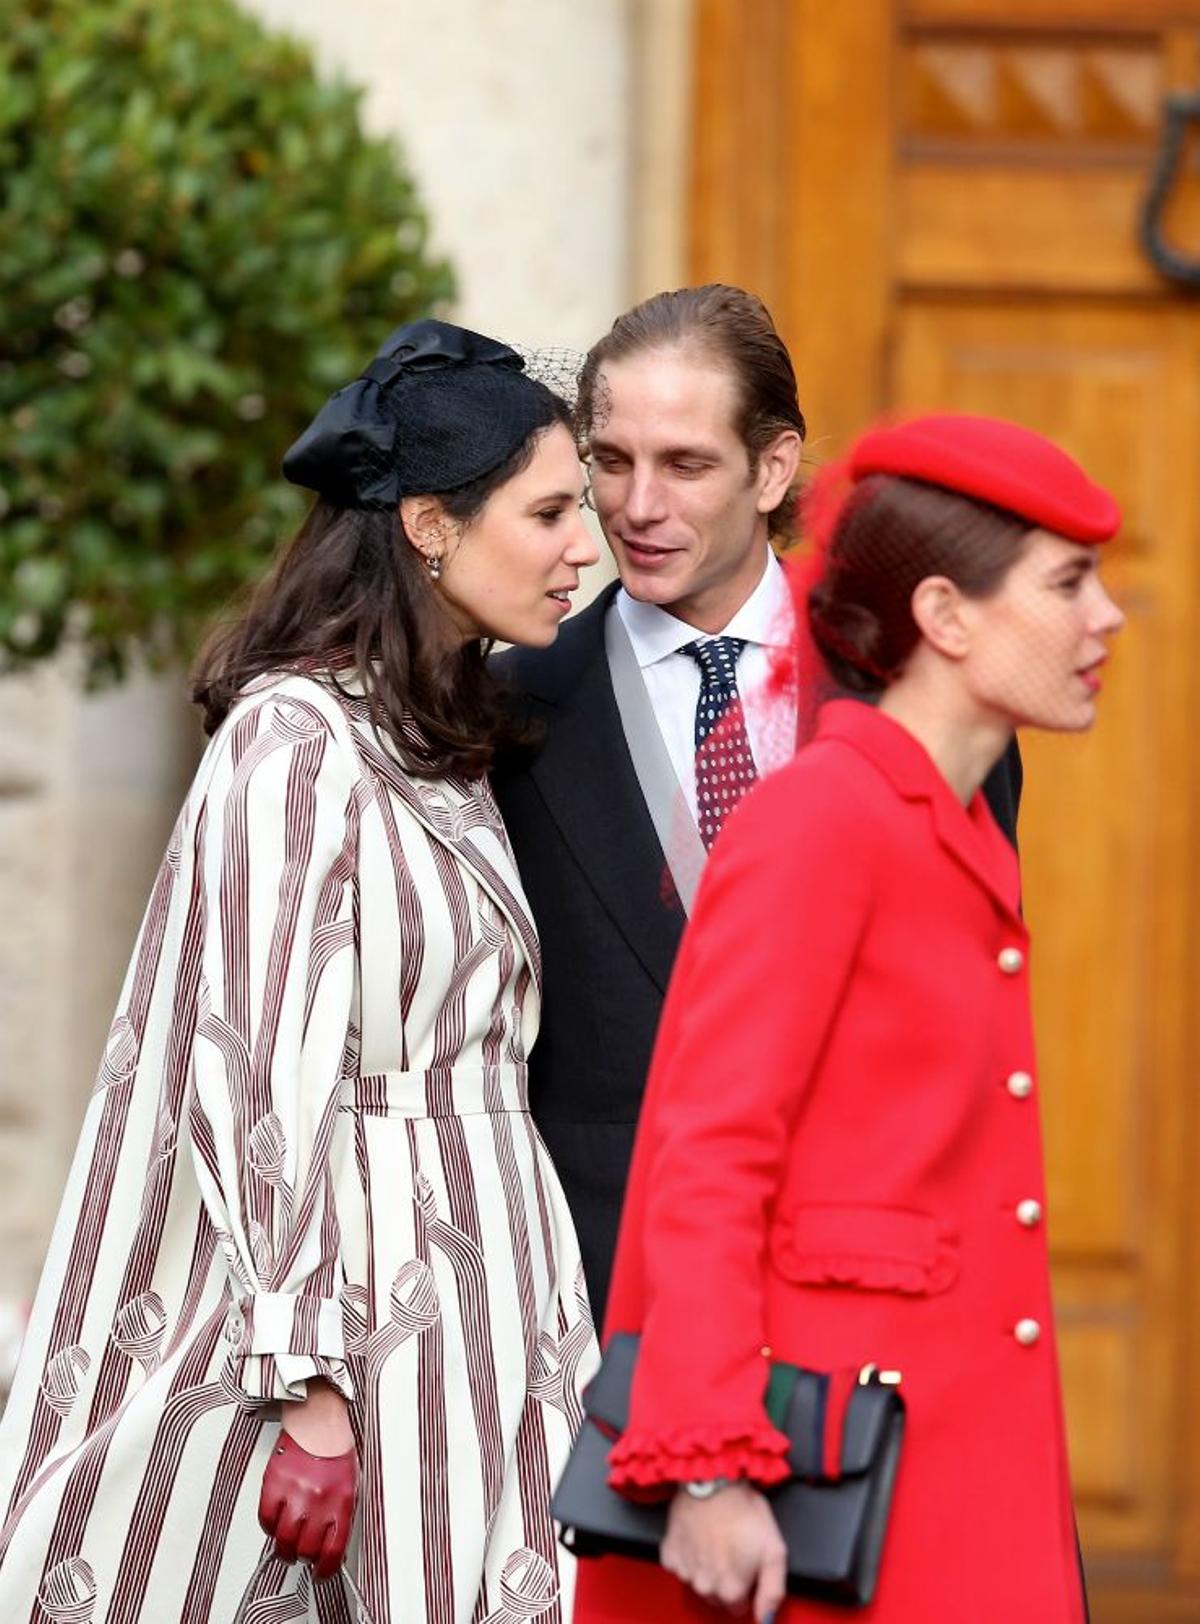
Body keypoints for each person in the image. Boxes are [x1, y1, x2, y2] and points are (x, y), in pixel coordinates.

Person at [0, 320, 600, 1623]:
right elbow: (250, 1078)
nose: (581, 549)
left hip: (498, 1306)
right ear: (431, 526)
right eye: (549, 511)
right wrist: (313, 1387)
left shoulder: (448, 743)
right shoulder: (296, 740)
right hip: (361, 1315)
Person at [575, 411, 1124, 1624]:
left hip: (951, 1452)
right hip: (819, 1481)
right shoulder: (824, 816)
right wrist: (710, 1460)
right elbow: (709, 1152)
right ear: (945, 613)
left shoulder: (958, 824)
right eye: (1069, 583)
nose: (1107, 620)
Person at [492, 286, 1022, 1327]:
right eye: (611, 460)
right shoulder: (505, 710)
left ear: (773, 467)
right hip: (596, 1316)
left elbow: (963, 1031)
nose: (637, 507)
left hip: (873, 1317)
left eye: (685, 465)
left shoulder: (920, 698)